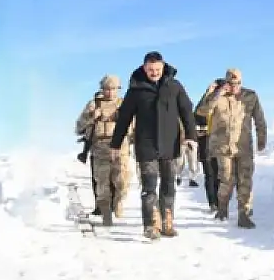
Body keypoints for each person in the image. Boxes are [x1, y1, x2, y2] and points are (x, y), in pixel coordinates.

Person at [110, 51, 198, 240]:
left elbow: (187, 111)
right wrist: (115, 144)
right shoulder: (136, 90)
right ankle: (150, 225)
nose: (154, 73)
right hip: (146, 146)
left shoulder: (174, 86)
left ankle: (167, 223)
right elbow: (124, 117)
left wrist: (191, 136)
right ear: (144, 68)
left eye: (157, 69)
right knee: (149, 187)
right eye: (150, 70)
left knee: (168, 186)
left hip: (170, 145)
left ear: (163, 66)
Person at [206, 68, 267, 227]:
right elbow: (202, 111)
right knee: (226, 180)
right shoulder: (217, 96)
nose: (234, 86)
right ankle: (222, 207)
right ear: (226, 82)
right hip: (223, 147)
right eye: (231, 83)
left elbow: (259, 119)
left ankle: (244, 214)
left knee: (245, 180)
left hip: (244, 146)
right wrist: (216, 92)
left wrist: (262, 138)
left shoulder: (250, 96)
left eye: (237, 83)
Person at [74, 75, 133, 225]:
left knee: (122, 181)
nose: (110, 92)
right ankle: (106, 215)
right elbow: (78, 127)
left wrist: (125, 119)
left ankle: (118, 202)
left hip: (121, 149)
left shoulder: (124, 104)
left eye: (113, 89)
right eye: (107, 89)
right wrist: (91, 117)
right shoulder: (94, 104)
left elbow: (135, 128)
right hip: (99, 149)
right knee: (102, 185)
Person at [194, 78, 224, 211]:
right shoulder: (206, 103)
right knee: (210, 173)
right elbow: (197, 114)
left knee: (220, 173)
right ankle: (213, 202)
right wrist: (208, 92)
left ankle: (219, 200)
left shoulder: (226, 104)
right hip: (205, 141)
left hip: (221, 143)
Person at [174, 119, 201, 188]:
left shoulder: (195, 116)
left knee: (193, 161)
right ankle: (178, 177)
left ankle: (192, 179)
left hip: (192, 140)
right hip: (180, 141)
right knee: (179, 161)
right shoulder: (177, 116)